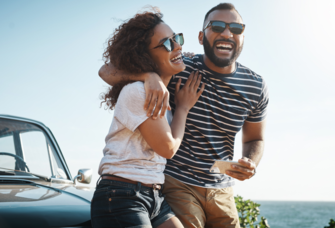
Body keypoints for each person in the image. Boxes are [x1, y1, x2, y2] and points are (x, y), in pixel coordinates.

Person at [99, 3, 269, 228]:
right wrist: (149, 75)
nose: (227, 33)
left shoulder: (255, 86)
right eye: (217, 26)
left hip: (222, 188)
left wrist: (251, 162)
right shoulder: (179, 65)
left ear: (243, 36)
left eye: (236, 29)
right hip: (177, 182)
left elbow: (255, 138)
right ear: (201, 36)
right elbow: (107, 71)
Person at [91, 10, 205, 228]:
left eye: (177, 38)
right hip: (121, 197)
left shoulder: (160, 91)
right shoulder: (138, 91)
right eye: (168, 44)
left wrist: (172, 58)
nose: (178, 46)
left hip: (153, 196)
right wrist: (182, 108)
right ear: (146, 56)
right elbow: (168, 148)